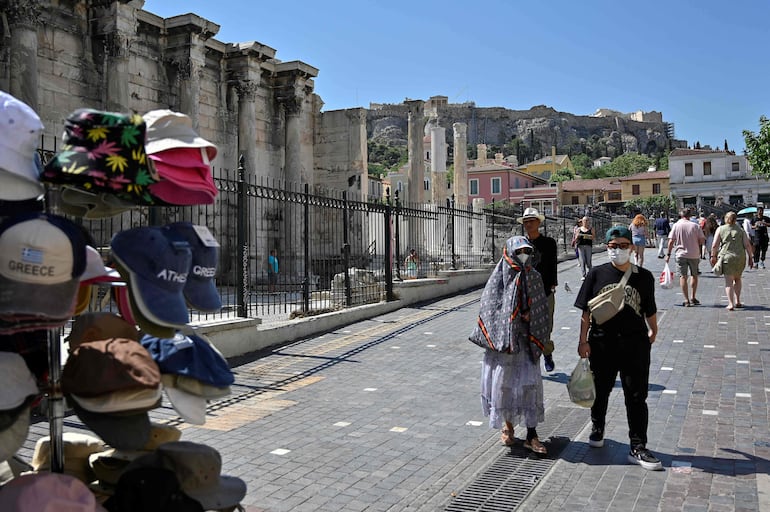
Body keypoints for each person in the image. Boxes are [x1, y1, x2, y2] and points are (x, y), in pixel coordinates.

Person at [575, 226, 661, 471]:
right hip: (602, 343)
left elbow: (649, 308)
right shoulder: (596, 274)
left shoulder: (644, 277)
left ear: (632, 247)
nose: (618, 250)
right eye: (613, 246)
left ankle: (638, 445)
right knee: (601, 390)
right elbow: (586, 312)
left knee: (636, 396)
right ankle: (597, 427)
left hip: (635, 343)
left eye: (623, 245)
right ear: (607, 247)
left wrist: (653, 330)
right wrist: (583, 341)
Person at [475, 236, 550, 454]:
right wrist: (511, 319)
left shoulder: (534, 277)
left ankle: (532, 435)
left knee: (529, 386)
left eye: (527, 251)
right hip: (504, 344)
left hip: (527, 343)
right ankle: (508, 427)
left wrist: (531, 316)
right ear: (509, 253)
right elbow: (490, 307)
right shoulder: (499, 277)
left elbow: (542, 307)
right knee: (504, 385)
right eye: (519, 252)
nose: (523, 255)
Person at [518, 207, 558, 372]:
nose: (528, 224)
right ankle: (528, 359)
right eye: (526, 222)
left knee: (545, 326)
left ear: (538, 222)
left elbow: (553, 264)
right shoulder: (521, 244)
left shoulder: (549, 243)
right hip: (525, 292)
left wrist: (553, 284)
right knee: (524, 326)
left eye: (531, 221)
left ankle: (546, 352)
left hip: (544, 290)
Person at [711, 211, 754, 310]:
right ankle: (738, 301)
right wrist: (751, 257)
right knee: (738, 279)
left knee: (728, 281)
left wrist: (713, 256)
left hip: (727, 257)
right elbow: (747, 245)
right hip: (740, 257)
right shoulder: (740, 230)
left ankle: (731, 303)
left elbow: (715, 245)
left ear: (726, 219)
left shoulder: (720, 229)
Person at [665, 208, 705, 307]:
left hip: (680, 254)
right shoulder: (695, 226)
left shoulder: (676, 225)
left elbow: (671, 241)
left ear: (681, 215)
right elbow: (701, 240)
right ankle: (693, 297)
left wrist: (668, 254)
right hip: (694, 254)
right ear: (690, 215)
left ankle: (686, 300)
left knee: (683, 276)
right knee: (694, 275)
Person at [751, 205, 770, 269]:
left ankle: (762, 262)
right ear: (757, 212)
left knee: (764, 250)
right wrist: (755, 226)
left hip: (764, 236)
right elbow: (751, 226)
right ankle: (756, 263)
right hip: (757, 236)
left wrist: (764, 223)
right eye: (759, 211)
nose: (761, 212)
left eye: (762, 211)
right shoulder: (754, 218)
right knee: (757, 250)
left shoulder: (766, 218)